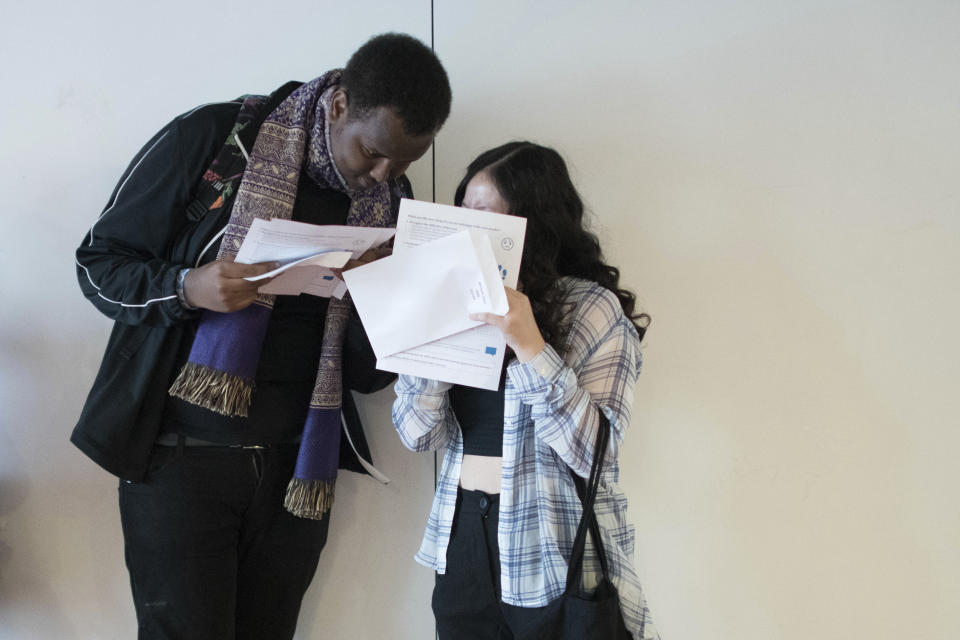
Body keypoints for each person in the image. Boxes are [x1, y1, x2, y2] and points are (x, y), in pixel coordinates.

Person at [72, 33, 451, 639]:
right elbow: (98, 263)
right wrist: (188, 287)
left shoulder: (390, 202)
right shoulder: (218, 139)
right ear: (337, 105)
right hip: (180, 464)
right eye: (374, 153)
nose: (384, 175)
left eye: (403, 163)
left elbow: (372, 374)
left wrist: (374, 302)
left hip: (297, 472)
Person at [392, 142, 659, 639]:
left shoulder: (591, 308)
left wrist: (531, 345)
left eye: (484, 212)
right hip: (463, 528)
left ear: (530, 220)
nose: (467, 225)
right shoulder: (448, 303)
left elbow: (594, 451)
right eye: (462, 210)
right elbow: (415, 434)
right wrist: (438, 353)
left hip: (555, 536)